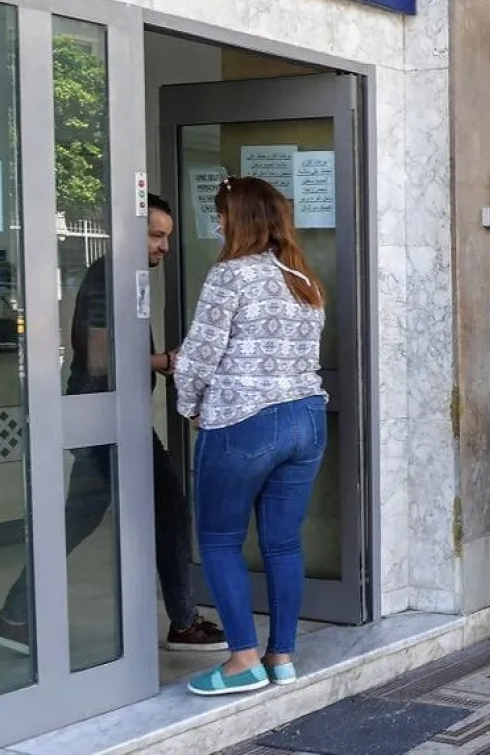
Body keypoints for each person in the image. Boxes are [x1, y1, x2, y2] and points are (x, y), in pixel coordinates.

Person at [0, 195, 227, 656]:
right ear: (130, 232)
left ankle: (13, 616)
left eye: (167, 237)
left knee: (89, 517)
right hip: (102, 414)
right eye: (156, 235)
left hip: (116, 414)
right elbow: (99, 360)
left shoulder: (124, 276)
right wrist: (164, 361)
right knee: (163, 510)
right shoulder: (106, 278)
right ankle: (183, 622)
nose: (164, 247)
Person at [175, 176, 328, 696]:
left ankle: (242, 660)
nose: (217, 224)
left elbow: (199, 355)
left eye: (220, 214)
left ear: (237, 218)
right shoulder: (303, 279)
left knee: (220, 540)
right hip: (306, 418)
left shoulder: (230, 275)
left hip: (244, 419)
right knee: (283, 542)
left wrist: (190, 406)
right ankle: (281, 657)